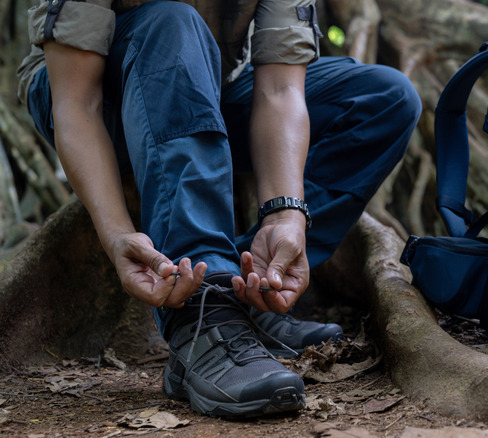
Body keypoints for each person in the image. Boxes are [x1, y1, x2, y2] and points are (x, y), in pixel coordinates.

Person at [17, 0, 422, 419]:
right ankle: (201, 316)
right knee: (172, 20)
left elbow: (280, 89)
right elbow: (76, 103)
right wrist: (117, 233)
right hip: (99, 100)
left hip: (212, 84)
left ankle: (245, 289)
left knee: (383, 97)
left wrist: (286, 214)